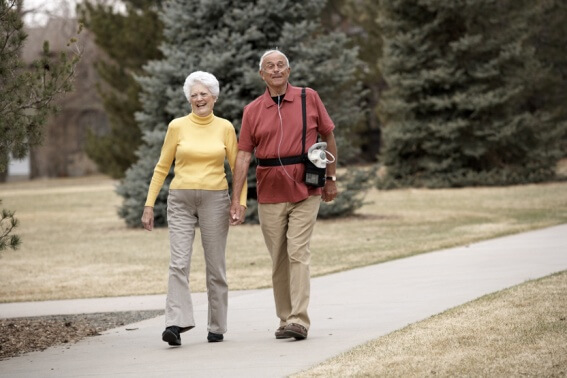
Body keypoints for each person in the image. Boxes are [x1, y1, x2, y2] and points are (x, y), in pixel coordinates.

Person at [229, 49, 338, 340]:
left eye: (281, 65)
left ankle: (299, 320)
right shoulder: (252, 111)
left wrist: (331, 178)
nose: (276, 70)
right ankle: (285, 318)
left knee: (297, 252)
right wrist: (237, 199)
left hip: (306, 187)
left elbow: (328, 135)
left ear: (288, 71)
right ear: (262, 75)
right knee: (278, 258)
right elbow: (243, 156)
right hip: (270, 191)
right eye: (269, 66)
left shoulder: (308, 97)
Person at [141, 71, 247, 346]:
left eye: (204, 94)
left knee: (215, 266)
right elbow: (162, 166)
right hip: (180, 199)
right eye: (194, 94)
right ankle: (175, 323)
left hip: (215, 199)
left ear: (214, 97)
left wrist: (239, 202)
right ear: (189, 98)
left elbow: (238, 168)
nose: (199, 99)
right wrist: (149, 204)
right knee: (178, 263)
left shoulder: (225, 127)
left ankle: (217, 326)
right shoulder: (177, 126)